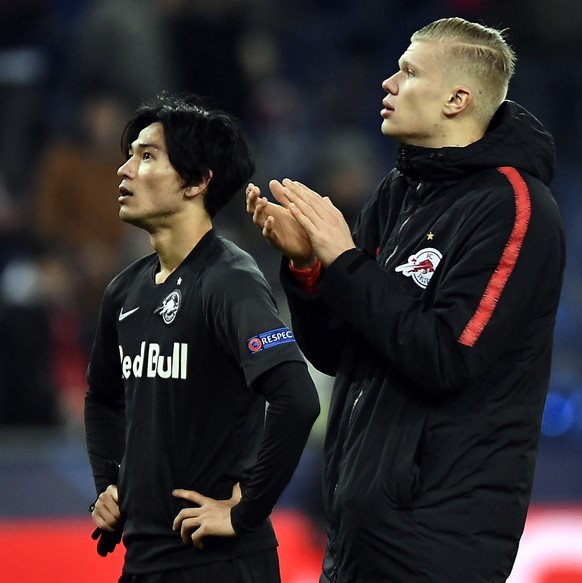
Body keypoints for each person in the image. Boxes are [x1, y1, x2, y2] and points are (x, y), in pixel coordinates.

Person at [246, 16, 565, 583]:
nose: (388, 84)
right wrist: (310, 268)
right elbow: (339, 351)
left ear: (457, 98)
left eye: (409, 72)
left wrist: (345, 260)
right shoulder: (399, 193)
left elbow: (448, 357)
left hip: (438, 535)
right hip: (359, 526)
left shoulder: (515, 206)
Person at [84, 92, 320, 582]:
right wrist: (108, 485)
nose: (124, 170)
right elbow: (102, 398)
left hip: (218, 565)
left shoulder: (229, 279)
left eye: (147, 156)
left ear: (197, 181)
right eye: (129, 156)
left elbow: (297, 398)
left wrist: (245, 511)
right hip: (143, 562)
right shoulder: (124, 291)